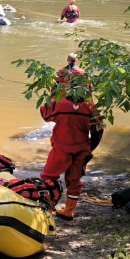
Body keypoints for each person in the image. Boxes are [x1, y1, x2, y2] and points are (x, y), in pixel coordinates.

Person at [39, 87, 104, 221]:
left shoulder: (59, 103)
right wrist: (89, 149)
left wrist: (53, 95)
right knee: (74, 181)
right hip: (81, 149)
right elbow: (98, 130)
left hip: (61, 148)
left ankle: (48, 208)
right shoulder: (90, 107)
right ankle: (68, 211)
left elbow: (45, 113)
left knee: (48, 177)